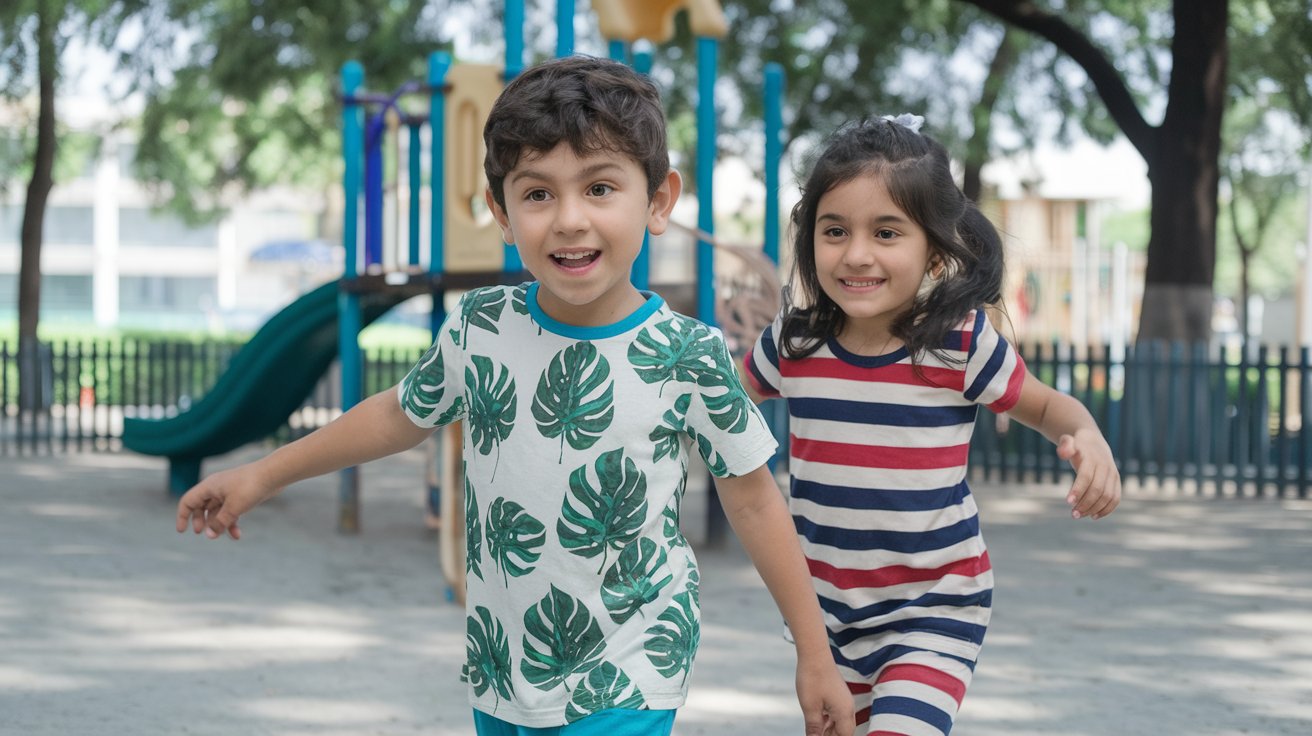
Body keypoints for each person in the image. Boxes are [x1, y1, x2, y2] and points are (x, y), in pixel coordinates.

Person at [175, 55, 855, 736]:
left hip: (631, 670)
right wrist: (263, 474)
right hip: (502, 668)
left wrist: (815, 655)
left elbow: (754, 500)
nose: (568, 219)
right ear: (500, 212)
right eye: (537, 195)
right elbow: (396, 415)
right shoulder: (480, 327)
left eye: (599, 188)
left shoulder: (688, 354)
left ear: (657, 201)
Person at [741, 115, 1122, 736]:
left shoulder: (958, 344)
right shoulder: (794, 342)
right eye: (834, 231)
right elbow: (722, 402)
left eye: (886, 232)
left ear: (936, 251)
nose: (856, 254)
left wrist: (1088, 438)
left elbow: (1048, 406)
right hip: (827, 617)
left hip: (935, 608)